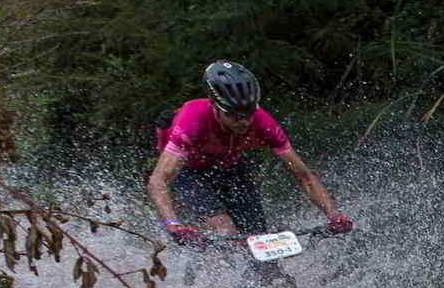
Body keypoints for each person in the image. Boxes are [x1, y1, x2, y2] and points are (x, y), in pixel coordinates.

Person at [146, 61, 352, 245]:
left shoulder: (264, 123)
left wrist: (334, 215)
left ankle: (273, 283)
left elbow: (304, 176)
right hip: (191, 172)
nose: (244, 121)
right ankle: (221, 282)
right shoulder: (193, 119)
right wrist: (174, 224)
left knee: (259, 240)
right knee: (226, 232)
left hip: (231, 167)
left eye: (248, 113)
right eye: (235, 115)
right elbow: (158, 181)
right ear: (217, 107)